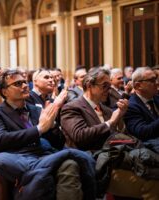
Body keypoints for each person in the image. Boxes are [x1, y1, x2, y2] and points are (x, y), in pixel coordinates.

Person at [0, 70, 96, 200]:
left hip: (43, 154)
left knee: (70, 165)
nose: (25, 86)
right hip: (19, 157)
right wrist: (39, 129)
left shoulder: (36, 109)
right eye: (18, 83)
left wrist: (52, 124)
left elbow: (59, 142)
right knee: (69, 163)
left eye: (25, 82)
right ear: (4, 92)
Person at [60, 67, 159, 199]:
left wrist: (120, 121)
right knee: (153, 183)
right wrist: (110, 123)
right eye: (105, 86)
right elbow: (80, 136)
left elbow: (120, 136)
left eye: (109, 85)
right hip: (96, 162)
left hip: (118, 157)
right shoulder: (72, 107)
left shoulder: (105, 109)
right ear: (90, 85)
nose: (109, 90)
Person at [124, 67, 159, 152]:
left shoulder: (156, 98)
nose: (157, 83)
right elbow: (142, 132)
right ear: (138, 85)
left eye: (156, 79)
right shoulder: (131, 106)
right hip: (149, 148)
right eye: (152, 80)